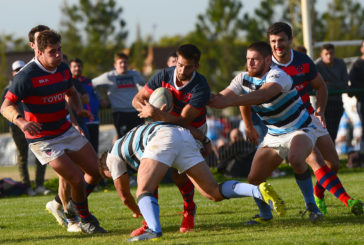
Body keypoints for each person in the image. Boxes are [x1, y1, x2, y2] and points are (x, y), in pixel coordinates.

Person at [98, 121, 285, 242]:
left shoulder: (112, 157)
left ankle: (154, 231)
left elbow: (124, 195)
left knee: (142, 189)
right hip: (182, 135)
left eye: (110, 176)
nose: (116, 176)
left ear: (105, 168)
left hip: (162, 137)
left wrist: (137, 211)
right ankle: (257, 191)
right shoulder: (128, 145)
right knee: (213, 192)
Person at [0, 29, 106, 234]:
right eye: (52, 52)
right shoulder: (26, 76)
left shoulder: (63, 69)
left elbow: (71, 92)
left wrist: (78, 109)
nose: (58, 55)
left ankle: (74, 205)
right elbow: (5, 107)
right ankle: (83, 218)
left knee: (97, 171)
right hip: (43, 139)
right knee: (75, 178)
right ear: (39, 53)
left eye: (59, 50)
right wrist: (21, 122)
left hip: (65, 129)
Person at [209, 41, 324, 224]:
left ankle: (312, 207)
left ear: (267, 60)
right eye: (248, 59)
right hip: (274, 134)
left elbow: (261, 95)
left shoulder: (278, 75)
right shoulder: (243, 79)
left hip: (300, 128)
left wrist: (229, 102)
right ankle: (265, 215)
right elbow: (225, 97)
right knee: (254, 177)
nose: (250, 63)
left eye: (255, 59)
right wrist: (204, 97)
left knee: (295, 158)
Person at [261, 22, 362, 216]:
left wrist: (320, 111)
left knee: (333, 163)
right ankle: (348, 201)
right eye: (273, 41)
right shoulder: (266, 66)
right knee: (315, 160)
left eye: (281, 40)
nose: (277, 45)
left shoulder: (303, 60)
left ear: (290, 40)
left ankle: (318, 195)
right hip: (288, 123)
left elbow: (321, 86)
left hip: (309, 116)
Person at [132, 44, 211, 234]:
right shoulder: (163, 75)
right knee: (151, 173)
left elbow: (184, 121)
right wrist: (146, 110)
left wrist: (156, 112)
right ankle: (149, 222)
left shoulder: (201, 86)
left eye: (188, 67)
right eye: (180, 64)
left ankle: (189, 209)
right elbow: (137, 99)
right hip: (162, 127)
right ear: (176, 61)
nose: (182, 70)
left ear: (196, 66)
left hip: (191, 130)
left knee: (179, 174)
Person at [1, 60, 50, 196]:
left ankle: (39, 185)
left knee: (41, 154)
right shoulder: (8, 89)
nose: (19, 72)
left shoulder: (31, 84)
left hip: (34, 124)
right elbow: (4, 109)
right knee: (22, 156)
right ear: (12, 73)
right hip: (17, 127)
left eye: (21, 69)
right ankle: (27, 187)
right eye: (16, 70)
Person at [92, 53, 145, 140]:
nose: (123, 65)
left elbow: (144, 87)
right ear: (115, 65)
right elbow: (91, 84)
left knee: (139, 139)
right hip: (120, 113)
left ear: (128, 64)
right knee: (124, 140)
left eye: (125, 62)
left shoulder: (135, 74)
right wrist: (100, 99)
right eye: (120, 62)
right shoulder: (109, 76)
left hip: (136, 112)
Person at [315, 43, 349, 141]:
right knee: (323, 133)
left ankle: (329, 154)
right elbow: (316, 85)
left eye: (331, 53)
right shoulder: (317, 66)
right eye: (326, 54)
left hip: (337, 102)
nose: (329, 56)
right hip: (322, 105)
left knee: (333, 133)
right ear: (321, 55)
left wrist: (327, 84)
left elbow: (345, 83)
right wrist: (333, 84)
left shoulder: (341, 63)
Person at [70, 58, 101, 153]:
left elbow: (93, 97)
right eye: (74, 66)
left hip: (93, 119)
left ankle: (96, 168)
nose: (77, 68)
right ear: (70, 68)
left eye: (79, 66)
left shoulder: (88, 81)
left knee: (94, 149)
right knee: (84, 150)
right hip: (80, 120)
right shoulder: (69, 82)